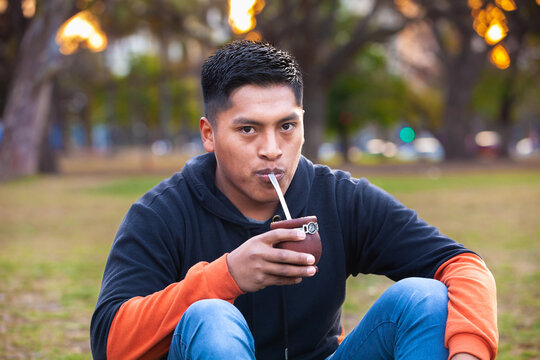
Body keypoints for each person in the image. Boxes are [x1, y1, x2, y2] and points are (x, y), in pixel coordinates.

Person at [90, 40, 497, 360]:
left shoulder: (338, 198)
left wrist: (465, 352)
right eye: (248, 130)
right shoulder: (162, 213)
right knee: (210, 316)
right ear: (209, 134)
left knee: (424, 298)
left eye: (287, 126)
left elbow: (462, 266)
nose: (272, 149)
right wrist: (225, 276)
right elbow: (111, 345)